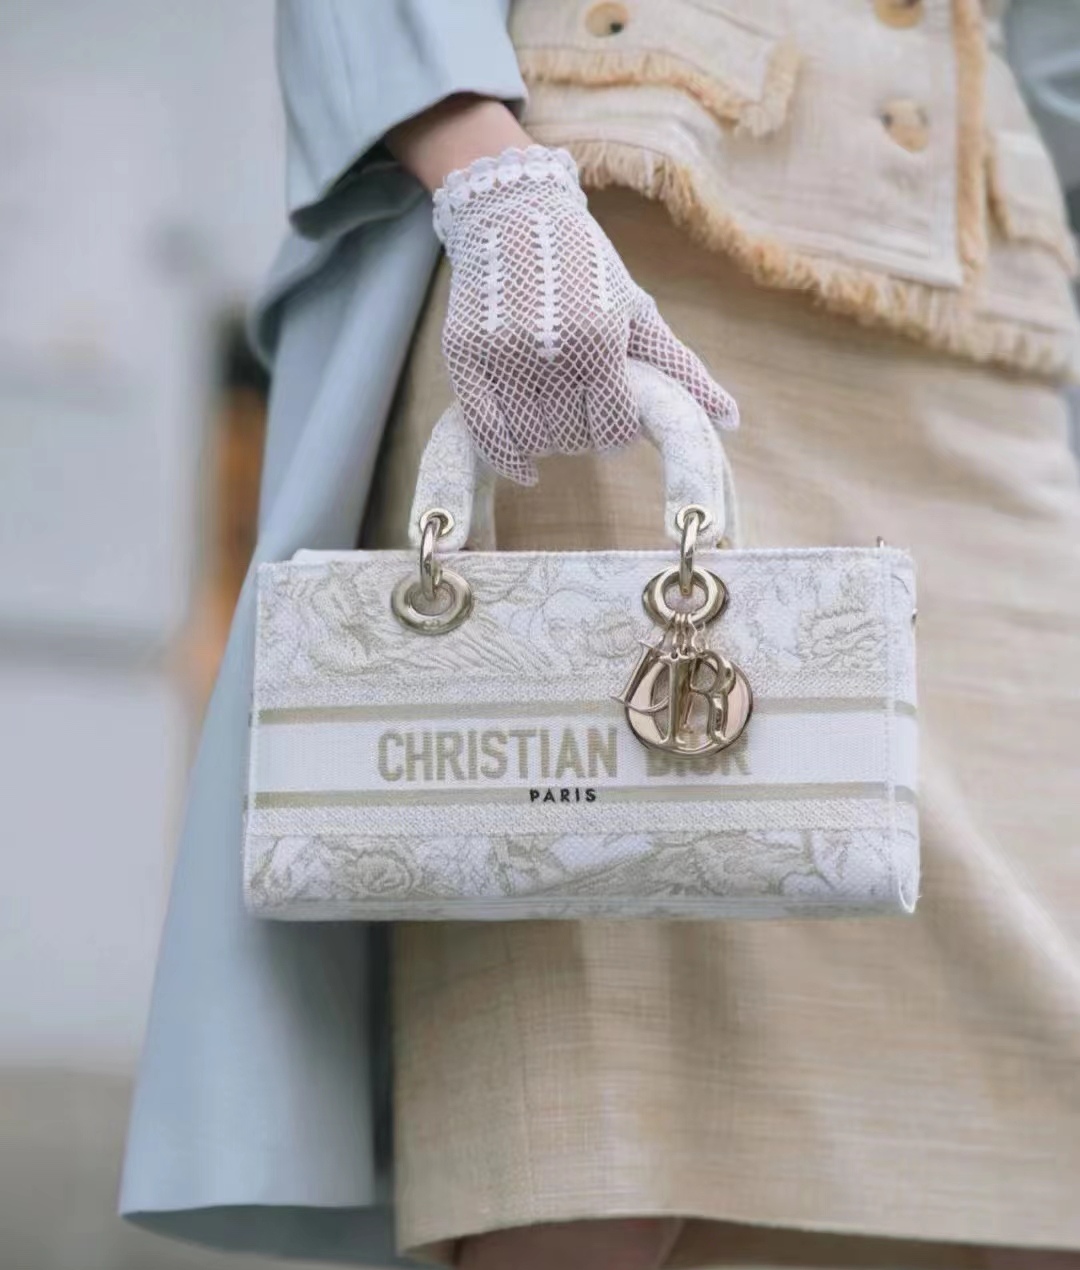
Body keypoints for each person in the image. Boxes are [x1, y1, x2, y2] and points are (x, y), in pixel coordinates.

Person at [122, 2, 1080, 1267]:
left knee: (1037, 1144)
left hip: (989, 318)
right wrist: (487, 175)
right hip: (615, 267)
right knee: (601, 1159)